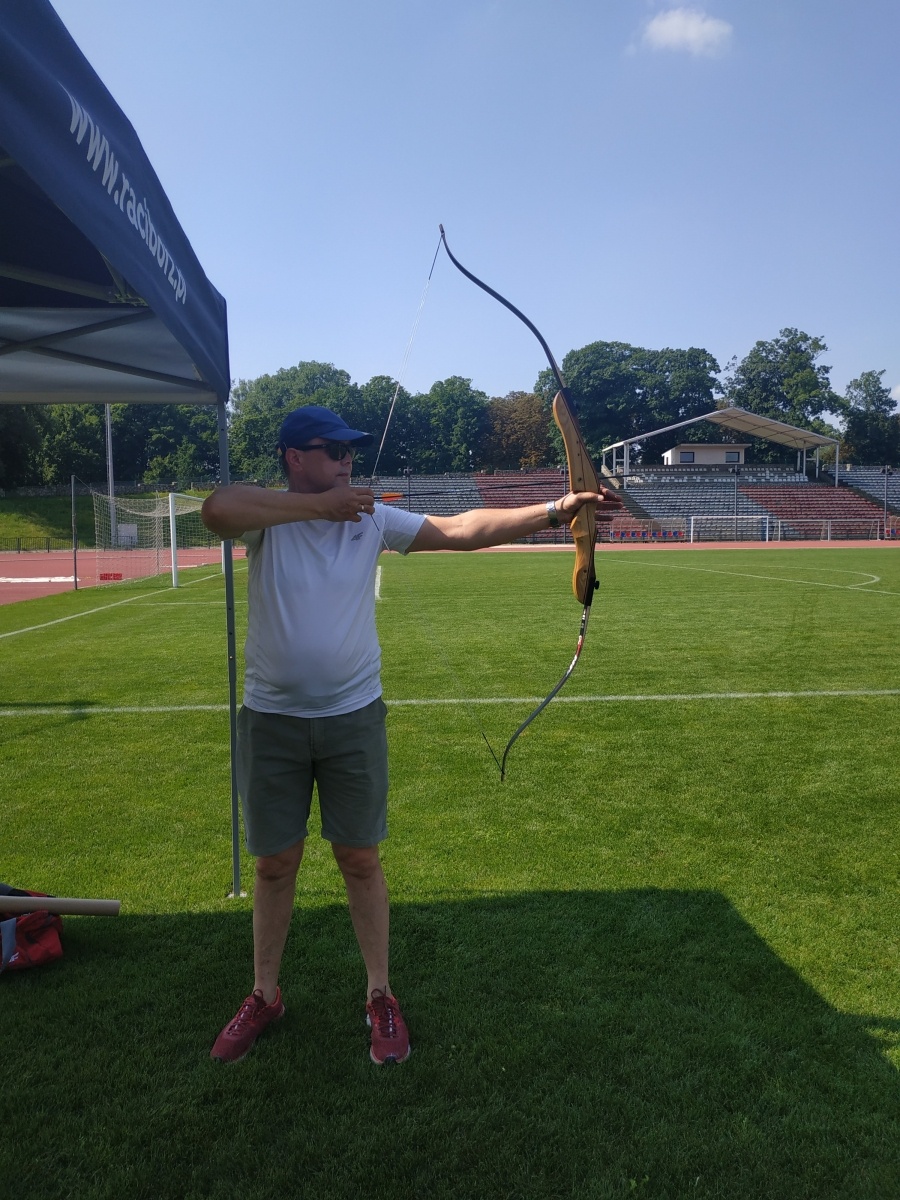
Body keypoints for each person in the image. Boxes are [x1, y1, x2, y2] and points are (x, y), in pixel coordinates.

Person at [201, 404, 621, 1065]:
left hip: (353, 716)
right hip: (273, 720)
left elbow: (459, 528)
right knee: (274, 864)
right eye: (331, 450)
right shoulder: (269, 520)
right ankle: (264, 992)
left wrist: (557, 510)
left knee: (360, 859)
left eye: (349, 450)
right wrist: (320, 508)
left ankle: (379, 994)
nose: (346, 460)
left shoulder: (368, 520)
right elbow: (217, 509)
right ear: (294, 459)